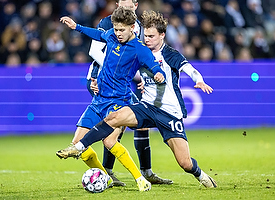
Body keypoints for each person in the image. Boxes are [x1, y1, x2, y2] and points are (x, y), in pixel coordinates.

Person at [60, 10, 218, 189]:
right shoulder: (138, 48)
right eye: (146, 35)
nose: (148, 39)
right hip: (147, 107)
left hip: (169, 113)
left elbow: (190, 69)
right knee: (113, 119)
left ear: (162, 35)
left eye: (151, 36)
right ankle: (80, 147)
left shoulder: (170, 54)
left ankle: (200, 174)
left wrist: (199, 80)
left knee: (185, 163)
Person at [57, 7, 166, 191]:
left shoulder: (139, 49)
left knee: (109, 142)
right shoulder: (111, 36)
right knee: (77, 144)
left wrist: (158, 74)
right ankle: (106, 178)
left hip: (119, 102)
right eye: (115, 29)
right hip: (99, 100)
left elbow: (155, 66)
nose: (118, 33)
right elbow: (97, 34)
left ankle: (140, 178)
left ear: (133, 27)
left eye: (121, 30)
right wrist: (76, 26)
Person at [86, 0, 172, 186]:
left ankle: (145, 171)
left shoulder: (138, 26)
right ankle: (109, 171)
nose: (125, 8)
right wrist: (115, 72)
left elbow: (139, 55)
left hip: (124, 83)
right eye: (121, 4)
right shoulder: (108, 23)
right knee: (113, 124)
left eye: (129, 4)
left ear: (135, 4)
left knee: (137, 124)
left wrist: (144, 77)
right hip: (104, 81)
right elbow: (95, 51)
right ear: (117, 4)